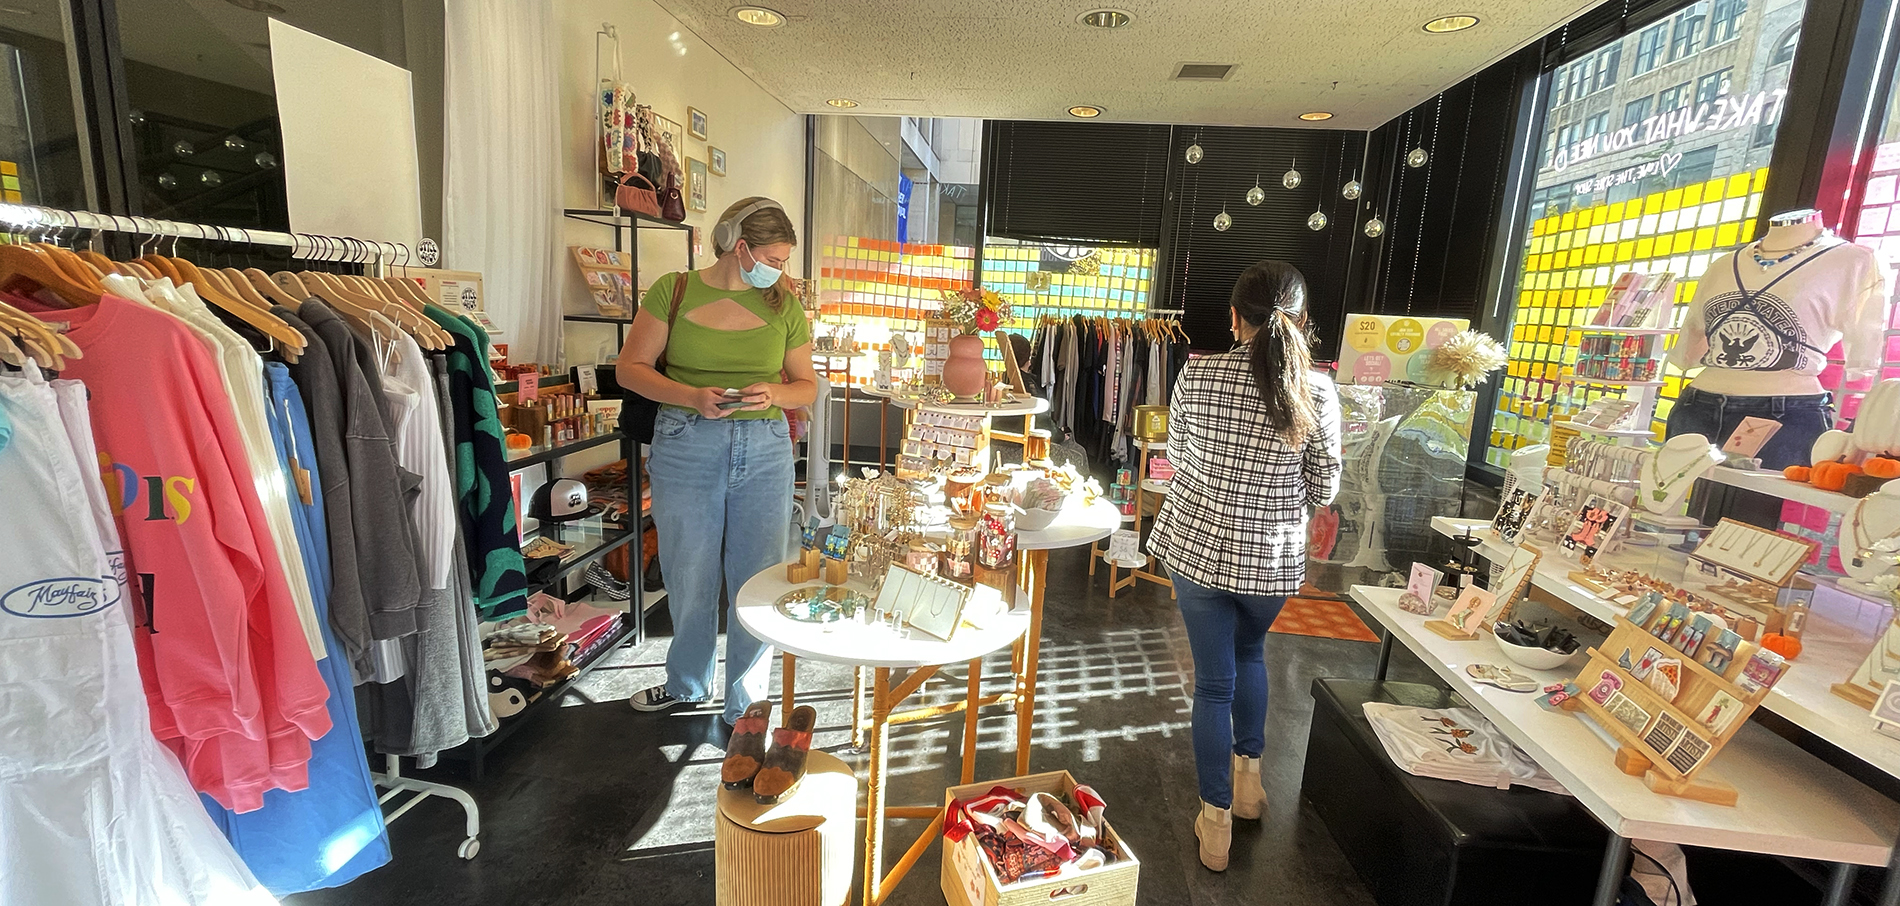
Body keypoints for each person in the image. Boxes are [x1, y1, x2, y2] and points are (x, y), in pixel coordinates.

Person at [1146, 260, 1342, 872]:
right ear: (1302, 322)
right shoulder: (1319, 391)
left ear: (1235, 320)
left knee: (1212, 683)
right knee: (1252, 655)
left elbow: (1178, 456)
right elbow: (1325, 484)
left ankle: (1215, 823)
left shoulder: (1197, 375)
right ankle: (1251, 785)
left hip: (1197, 548)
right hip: (1272, 557)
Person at [615, 197, 817, 726]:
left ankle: (746, 705)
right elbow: (630, 369)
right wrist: (691, 395)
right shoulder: (673, 290)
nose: (779, 270)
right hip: (685, 443)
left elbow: (807, 388)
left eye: (783, 261)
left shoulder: (783, 305)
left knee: (758, 577)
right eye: (774, 257)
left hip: (766, 450)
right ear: (741, 246)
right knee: (689, 573)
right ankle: (686, 684)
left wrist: (773, 392)